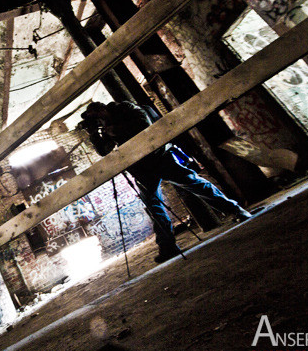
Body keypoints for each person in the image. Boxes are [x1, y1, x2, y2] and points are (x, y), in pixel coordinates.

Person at [80, 101, 252, 263]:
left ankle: (237, 211)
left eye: (98, 116)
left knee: (195, 184)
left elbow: (143, 124)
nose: (100, 120)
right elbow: (104, 151)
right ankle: (167, 246)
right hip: (140, 167)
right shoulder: (104, 127)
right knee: (154, 206)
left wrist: (111, 130)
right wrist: (94, 135)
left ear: (103, 108)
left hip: (160, 156)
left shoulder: (125, 108)